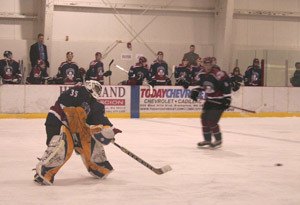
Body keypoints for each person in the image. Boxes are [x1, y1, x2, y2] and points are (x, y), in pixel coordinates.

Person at [34, 80, 122, 185]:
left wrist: (108, 131)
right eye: (96, 88)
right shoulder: (79, 90)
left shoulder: (95, 105)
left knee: (90, 141)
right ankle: (45, 170)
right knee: (63, 146)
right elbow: (64, 100)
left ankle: (98, 167)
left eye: (99, 90)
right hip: (59, 121)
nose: (98, 91)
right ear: (89, 86)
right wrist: (80, 106)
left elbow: (100, 119)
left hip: (75, 129)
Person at [190, 57, 232, 148]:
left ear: (212, 64)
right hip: (209, 100)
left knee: (211, 121)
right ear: (203, 64)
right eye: (205, 64)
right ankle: (207, 140)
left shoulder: (217, 73)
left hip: (219, 101)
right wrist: (195, 91)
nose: (207, 66)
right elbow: (200, 85)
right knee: (204, 119)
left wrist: (227, 98)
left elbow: (226, 84)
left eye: (209, 64)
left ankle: (218, 140)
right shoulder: (201, 74)